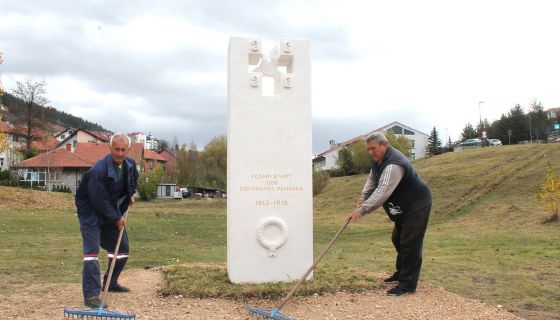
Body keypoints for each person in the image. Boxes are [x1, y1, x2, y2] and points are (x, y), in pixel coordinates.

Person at [347, 132, 432, 296]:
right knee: (397, 239)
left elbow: (383, 190)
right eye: (368, 149)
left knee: (409, 242)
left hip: (417, 204)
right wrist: (364, 196)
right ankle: (401, 273)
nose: (371, 152)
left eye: (374, 148)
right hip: (402, 207)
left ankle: (407, 284)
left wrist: (362, 209)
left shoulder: (394, 164)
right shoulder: (378, 161)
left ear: (384, 144)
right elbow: (372, 180)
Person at [75, 133, 138, 308]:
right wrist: (117, 218)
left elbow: (132, 181)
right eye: (116, 149)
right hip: (91, 213)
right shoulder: (98, 171)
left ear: (128, 150)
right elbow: (99, 200)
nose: (119, 153)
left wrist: (131, 194)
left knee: (122, 250)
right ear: (109, 148)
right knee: (91, 253)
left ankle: (110, 283)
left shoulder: (130, 164)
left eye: (123, 150)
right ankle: (92, 296)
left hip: (110, 211)